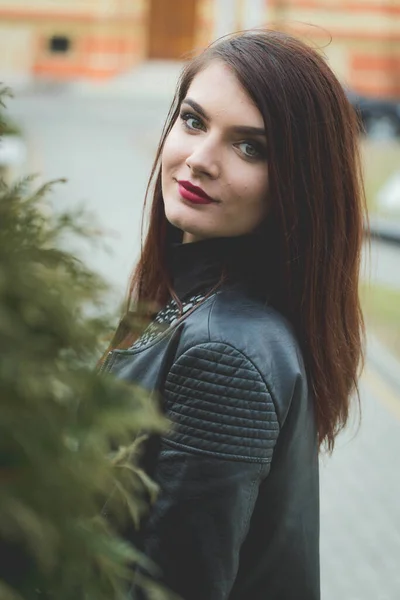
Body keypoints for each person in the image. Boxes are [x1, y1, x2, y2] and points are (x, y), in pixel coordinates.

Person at [100, 29, 366, 600]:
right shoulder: (191, 302)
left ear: (299, 185)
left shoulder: (226, 354)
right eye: (194, 121)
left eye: (250, 147)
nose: (199, 160)